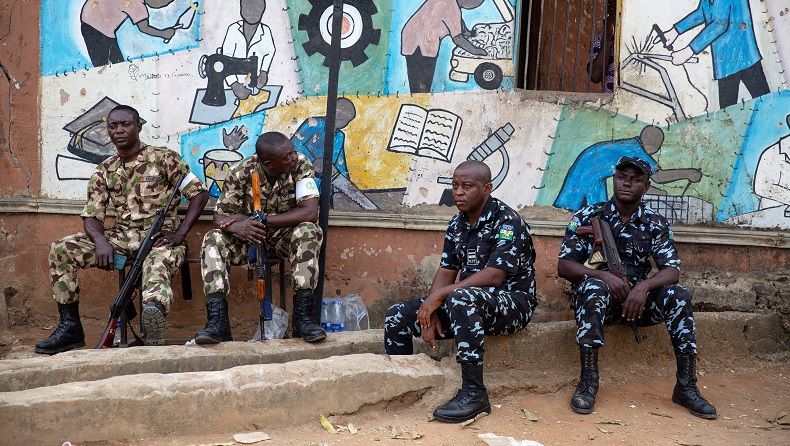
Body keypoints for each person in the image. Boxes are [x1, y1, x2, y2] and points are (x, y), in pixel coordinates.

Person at [35, 105, 209, 354]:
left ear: (138, 126)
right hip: (120, 237)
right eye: (113, 126)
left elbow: (199, 194)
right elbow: (92, 216)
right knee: (61, 249)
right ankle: (70, 327)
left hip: (161, 238)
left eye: (125, 124)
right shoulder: (104, 170)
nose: (119, 130)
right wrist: (99, 240)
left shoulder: (164, 158)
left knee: (157, 264)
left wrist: (180, 234)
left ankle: (153, 317)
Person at [557, 156, 717, 419]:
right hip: (601, 304)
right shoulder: (588, 215)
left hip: (637, 304)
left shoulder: (655, 221)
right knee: (592, 289)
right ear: (614, 180)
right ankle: (588, 383)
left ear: (646, 185)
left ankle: (686, 386)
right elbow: (565, 266)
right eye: (622, 177)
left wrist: (644, 286)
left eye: (636, 179)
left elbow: (672, 270)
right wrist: (603, 277)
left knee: (679, 296)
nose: (627, 183)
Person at [385, 160, 538, 423]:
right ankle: (403, 388)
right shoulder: (457, 223)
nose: (458, 192)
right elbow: (447, 270)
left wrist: (440, 296)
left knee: (459, 297)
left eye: (467, 186)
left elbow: (494, 275)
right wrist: (431, 308)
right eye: (455, 185)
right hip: (465, 303)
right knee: (396, 315)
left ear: (487, 188)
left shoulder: (507, 221)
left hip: (511, 305)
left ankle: (474, 394)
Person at [195, 131, 326, 344]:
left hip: (285, 237)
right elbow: (219, 217)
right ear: (269, 163)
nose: (294, 157)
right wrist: (239, 226)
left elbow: (309, 213)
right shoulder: (242, 171)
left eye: (292, 152)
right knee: (213, 239)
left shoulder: (300, 164)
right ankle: (217, 322)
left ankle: (303, 319)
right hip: (249, 240)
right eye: (287, 156)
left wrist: (262, 220)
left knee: (309, 231)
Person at [554, 125, 702, 211]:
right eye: (657, 146)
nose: (657, 150)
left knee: (597, 213)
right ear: (652, 143)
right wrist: (688, 173)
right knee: (585, 211)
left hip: (592, 175)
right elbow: (658, 177)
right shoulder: (635, 151)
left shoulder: (630, 146)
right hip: (586, 176)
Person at [658, 0, 769, 108]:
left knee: (767, 104)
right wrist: (674, 31)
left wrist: (688, 52)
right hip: (724, 63)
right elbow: (702, 12)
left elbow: (720, 24)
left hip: (745, 57)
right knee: (728, 114)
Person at [401, 0, 488, 93]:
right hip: (423, 41)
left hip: (412, 36)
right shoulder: (452, 7)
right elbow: (458, 38)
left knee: (418, 76)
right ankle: (419, 98)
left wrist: (468, 33)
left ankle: (419, 97)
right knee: (421, 81)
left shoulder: (450, 3)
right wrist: (475, 50)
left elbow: (458, 23)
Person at [80, 0, 177, 67]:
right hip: (96, 27)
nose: (164, 4)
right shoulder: (137, 5)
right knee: (112, 64)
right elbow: (144, 28)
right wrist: (164, 34)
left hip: (89, 19)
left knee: (113, 63)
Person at [222, 0, 275, 101]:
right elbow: (225, 58)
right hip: (233, 86)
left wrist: (263, 72)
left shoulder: (265, 32)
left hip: (253, 85)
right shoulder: (233, 30)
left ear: (263, 10)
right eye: (248, 9)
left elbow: (269, 52)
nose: (252, 13)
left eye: (257, 10)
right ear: (241, 9)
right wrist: (234, 84)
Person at [587, 0, 616, 92]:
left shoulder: (638, 36)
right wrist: (607, 36)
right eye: (610, 4)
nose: (612, 8)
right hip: (610, 102)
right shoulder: (599, 39)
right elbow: (595, 76)